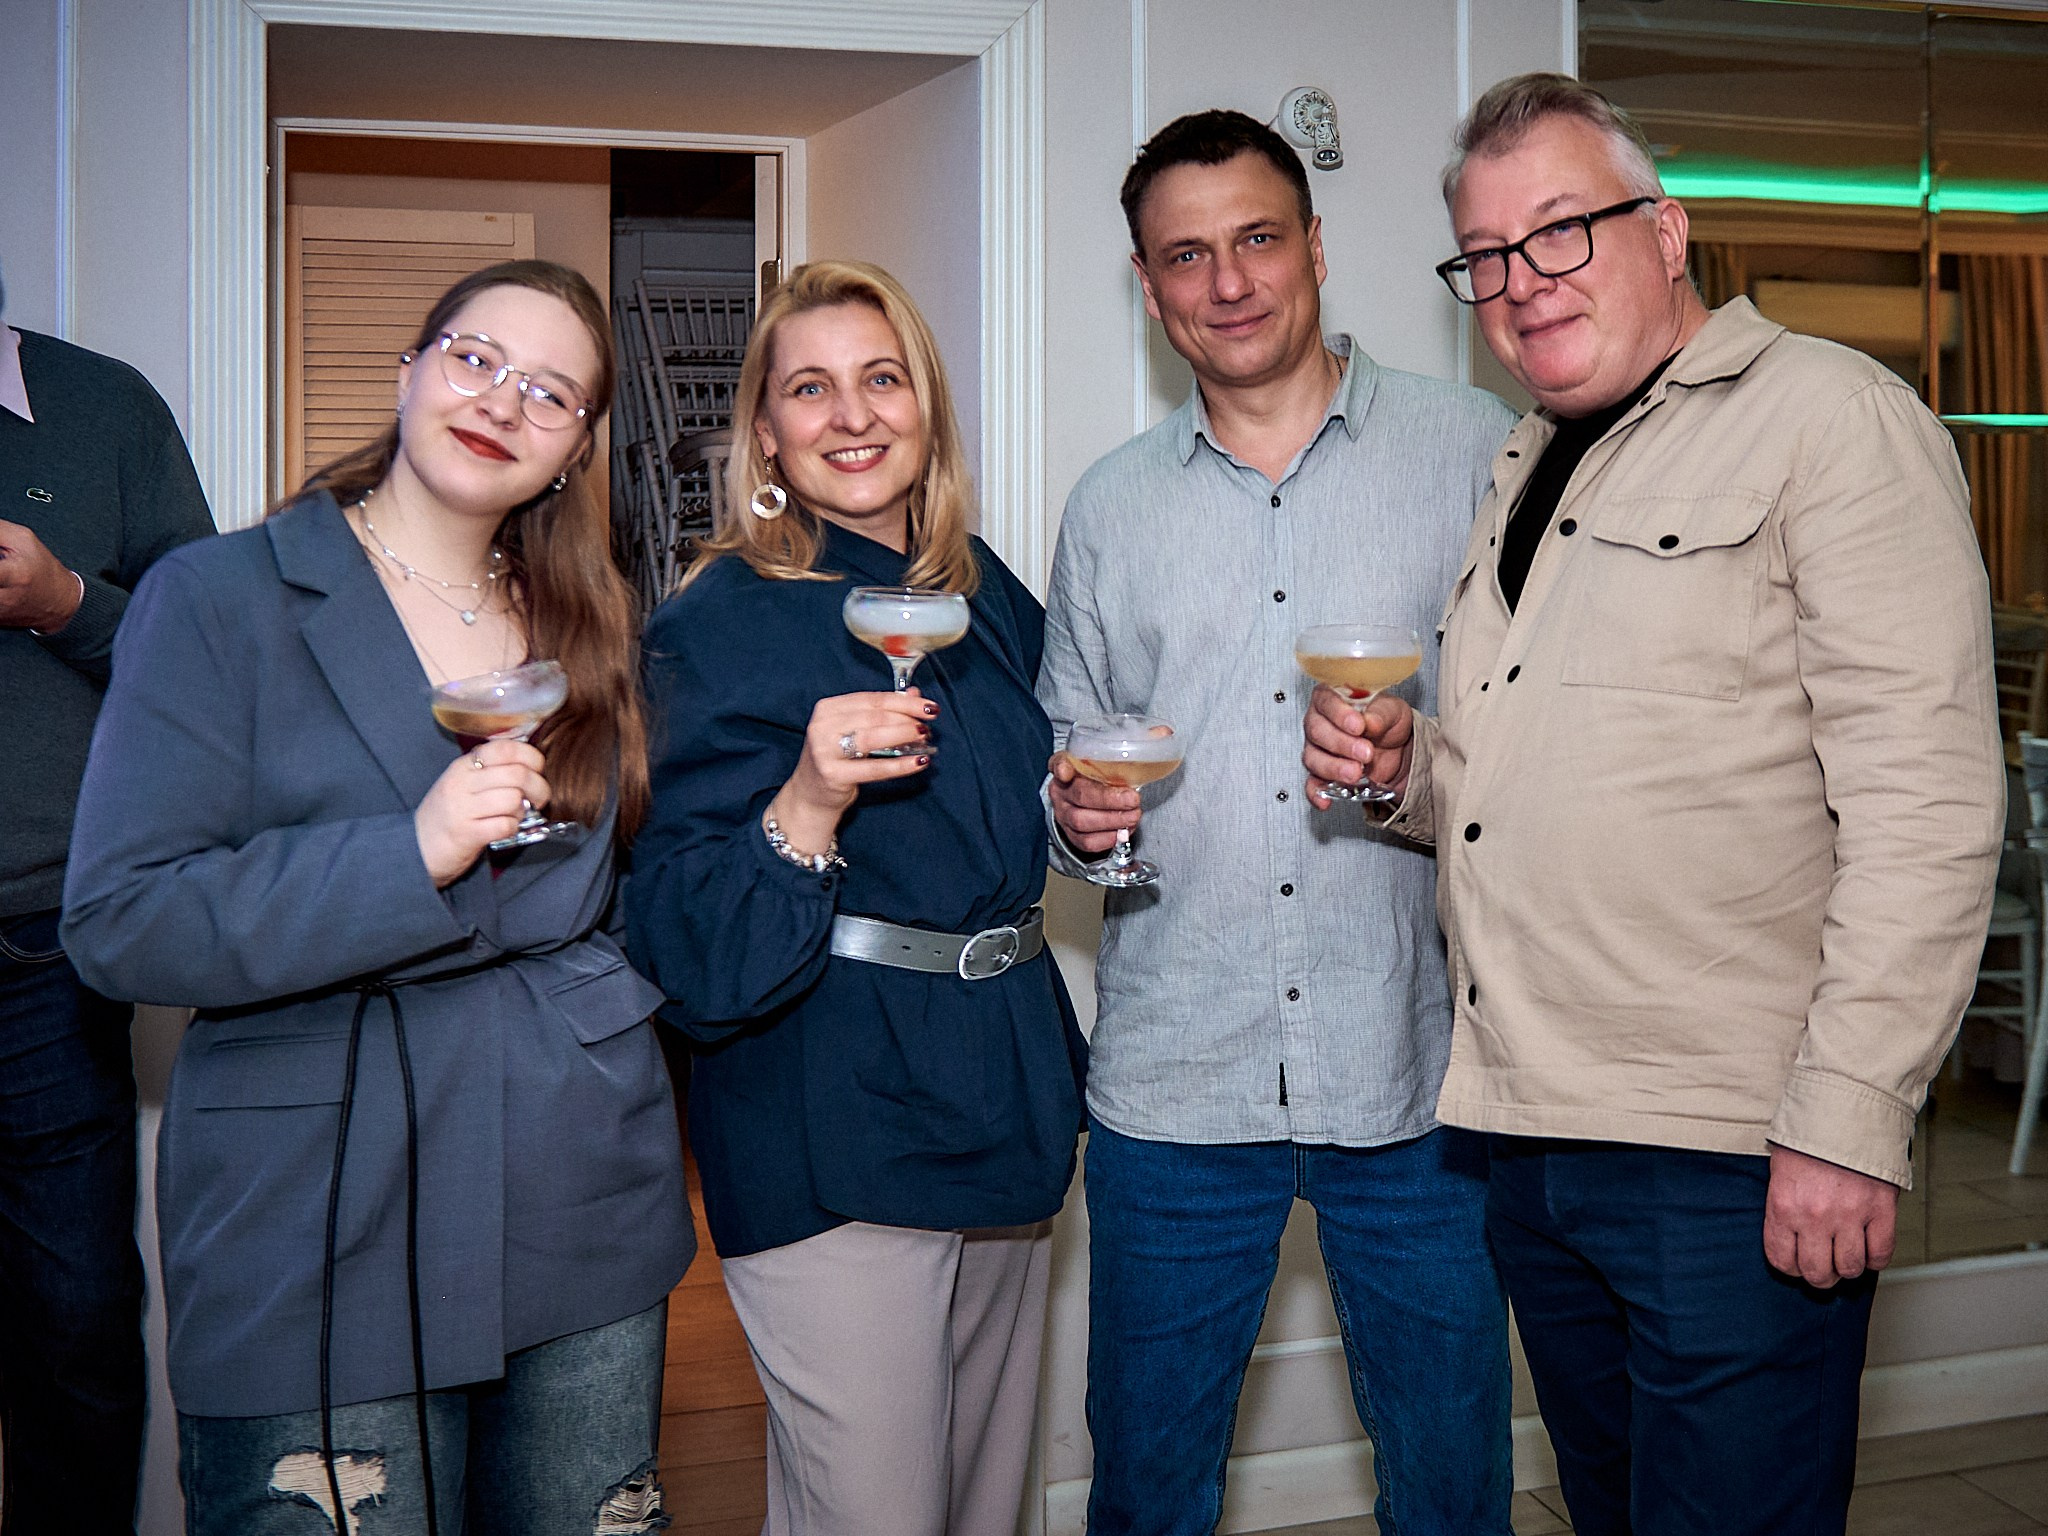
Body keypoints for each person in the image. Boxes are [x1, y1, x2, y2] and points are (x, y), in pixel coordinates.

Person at [1303, 73, 2004, 1536]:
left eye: (1560, 232)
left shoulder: (1831, 420)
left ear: (1668, 232)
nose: (1519, 286)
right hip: (1533, 1134)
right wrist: (1404, 770)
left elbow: (1926, 802)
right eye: (1486, 257)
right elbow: (1525, 783)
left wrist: (1851, 1118)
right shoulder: (1525, 459)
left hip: (1733, 1153)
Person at [62, 260, 692, 1535]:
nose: (502, 401)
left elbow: (623, 895)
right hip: (316, 1198)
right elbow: (120, 919)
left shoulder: (592, 626)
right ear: (410, 369)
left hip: (573, 1180)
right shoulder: (218, 597)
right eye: (474, 359)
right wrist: (404, 855)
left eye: (550, 392)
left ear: (575, 449)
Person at [1039, 110, 1518, 1536]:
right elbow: (1075, 789)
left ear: (1315, 245)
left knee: (1450, 1491)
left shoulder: (1475, 451)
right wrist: (1077, 821)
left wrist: (1418, 758)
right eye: (1186, 255)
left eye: (1257, 238)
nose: (1228, 282)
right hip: (1178, 1084)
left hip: (1419, 1077)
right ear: (1147, 285)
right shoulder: (1112, 510)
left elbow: (1537, 752)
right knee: (1147, 1493)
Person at [627, 259, 1086, 1536]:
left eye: (881, 379)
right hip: (829, 1109)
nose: (853, 415)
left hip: (997, 1087)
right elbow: (682, 939)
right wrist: (808, 801)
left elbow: (1019, 796)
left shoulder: (976, 589)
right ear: (764, 430)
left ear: (924, 405)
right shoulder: (717, 622)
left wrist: (1080, 810)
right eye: (810, 389)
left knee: (986, 1507)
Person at [0, 271, 214, 1534]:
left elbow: (208, 656)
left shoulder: (102, 407)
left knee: (73, 1325)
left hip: (41, 948)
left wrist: (63, 603)